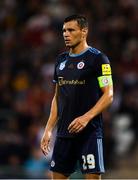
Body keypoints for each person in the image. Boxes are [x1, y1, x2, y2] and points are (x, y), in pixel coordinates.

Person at [41, 14, 113, 179]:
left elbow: (108, 94)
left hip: (90, 133)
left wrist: (85, 118)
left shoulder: (98, 59)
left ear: (84, 32)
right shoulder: (60, 61)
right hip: (64, 134)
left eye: (71, 30)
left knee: (92, 177)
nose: (66, 34)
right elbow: (57, 98)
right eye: (64, 30)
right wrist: (48, 129)